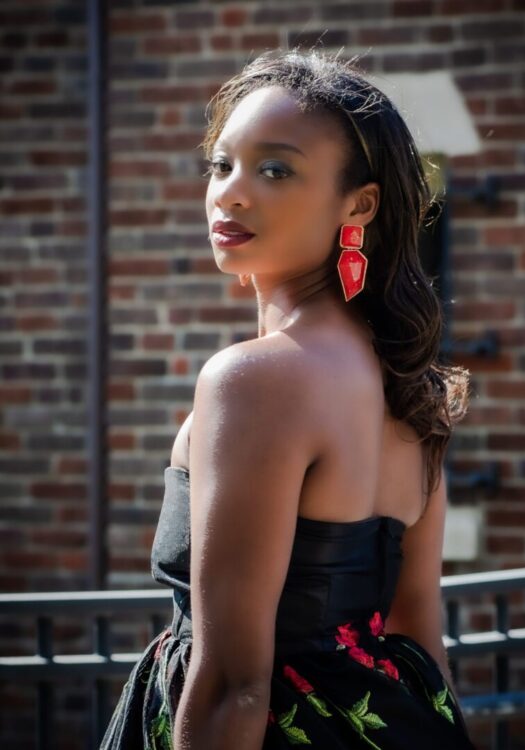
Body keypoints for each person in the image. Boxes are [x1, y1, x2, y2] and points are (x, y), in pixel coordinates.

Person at [100, 49, 474, 750]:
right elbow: (419, 638)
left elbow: (233, 686)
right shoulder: (409, 389)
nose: (231, 193)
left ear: (359, 204)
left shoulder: (254, 381)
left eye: (275, 170)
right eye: (221, 164)